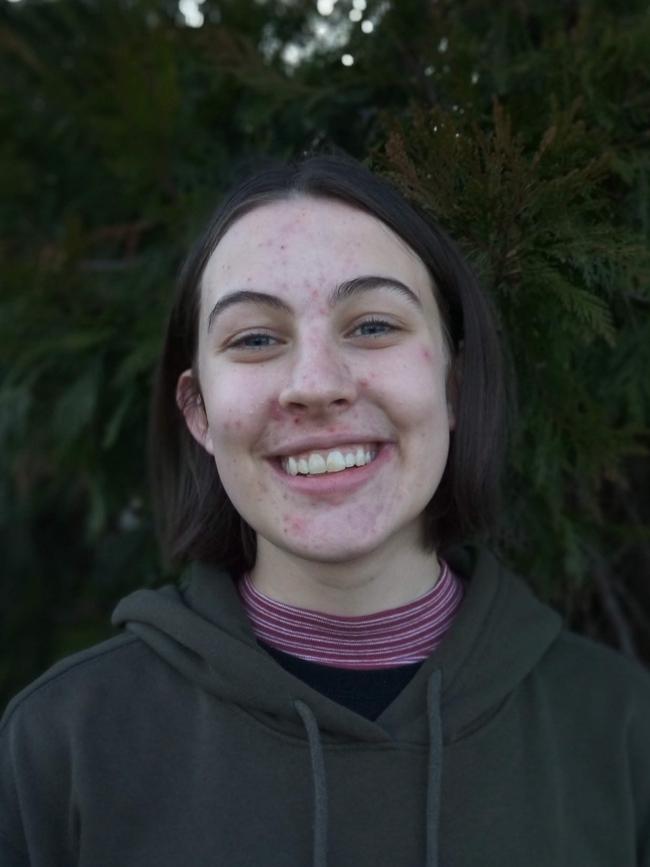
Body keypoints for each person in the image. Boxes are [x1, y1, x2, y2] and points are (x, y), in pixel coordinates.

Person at [1, 153, 649, 867]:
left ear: (457, 384)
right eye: (255, 338)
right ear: (200, 412)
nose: (315, 384)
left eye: (372, 325)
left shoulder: (619, 725)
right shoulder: (61, 743)